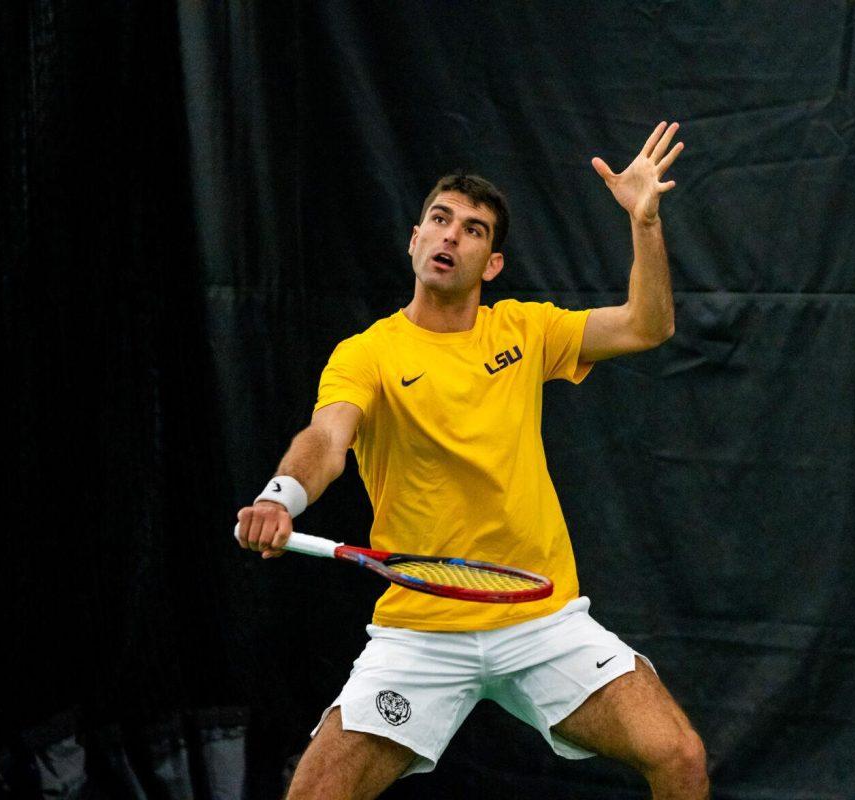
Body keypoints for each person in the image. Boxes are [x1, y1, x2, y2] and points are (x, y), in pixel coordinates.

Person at [236, 121, 708, 799]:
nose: (451, 235)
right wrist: (282, 496)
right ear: (415, 240)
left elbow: (648, 324)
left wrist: (643, 223)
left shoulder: (524, 329)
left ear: (491, 264)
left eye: (473, 229)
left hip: (541, 617)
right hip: (421, 632)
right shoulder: (367, 355)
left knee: (679, 756)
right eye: (439, 219)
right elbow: (326, 439)